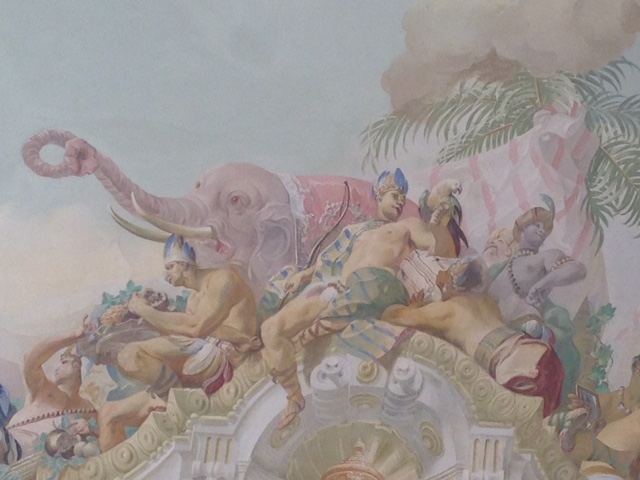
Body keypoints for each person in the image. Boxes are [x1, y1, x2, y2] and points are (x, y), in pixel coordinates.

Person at [260, 168, 458, 429]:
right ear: (378, 196)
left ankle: (307, 336)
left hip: (376, 286)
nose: (400, 201)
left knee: (352, 296)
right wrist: (304, 275)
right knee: (271, 329)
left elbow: (441, 251)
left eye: (402, 197)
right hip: (337, 287)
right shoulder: (353, 231)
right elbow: (326, 262)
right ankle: (294, 397)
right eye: (394, 195)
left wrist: (439, 225)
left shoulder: (406, 226)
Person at [381, 257, 564, 416]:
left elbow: (391, 316)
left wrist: (416, 307)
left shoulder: (449, 310)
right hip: (539, 353)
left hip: (514, 370)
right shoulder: (487, 301)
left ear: (451, 283)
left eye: (444, 281)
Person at [117, 234, 260, 399]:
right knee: (129, 357)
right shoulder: (194, 298)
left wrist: (143, 310)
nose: (166, 274)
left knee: (132, 354)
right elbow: (187, 329)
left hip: (226, 353)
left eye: (170, 267)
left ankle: (175, 401)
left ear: (184, 265)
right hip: (207, 349)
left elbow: (195, 328)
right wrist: (148, 317)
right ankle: (174, 401)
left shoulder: (222, 280)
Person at [487, 196, 586, 402]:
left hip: (524, 330)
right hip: (491, 330)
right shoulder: (499, 268)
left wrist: (541, 284)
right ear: (522, 228)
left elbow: (577, 269)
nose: (542, 231)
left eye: (545, 228)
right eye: (536, 225)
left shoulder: (544, 257)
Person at [7, 327, 96, 457]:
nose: (57, 367)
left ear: (78, 367)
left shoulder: (86, 407)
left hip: (36, 462)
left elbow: (99, 436)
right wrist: (73, 335)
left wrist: (89, 430)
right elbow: (30, 360)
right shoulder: (45, 389)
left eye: (64, 362)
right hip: (9, 447)